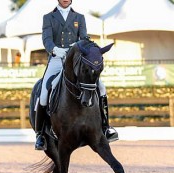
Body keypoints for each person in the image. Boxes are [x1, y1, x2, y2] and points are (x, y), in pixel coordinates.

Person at [34, 0, 118, 150]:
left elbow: (84, 38)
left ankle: (106, 127)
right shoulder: (48, 17)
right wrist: (55, 50)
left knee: (102, 88)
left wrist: (85, 48)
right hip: (56, 58)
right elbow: (46, 39)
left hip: (75, 59)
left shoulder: (79, 17)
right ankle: (40, 134)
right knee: (45, 91)